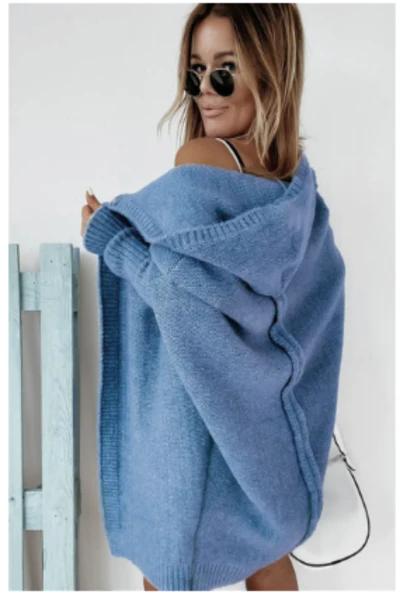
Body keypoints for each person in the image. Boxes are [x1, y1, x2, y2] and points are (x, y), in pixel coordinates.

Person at [81, 4, 340, 592]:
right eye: (195, 70)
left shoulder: (201, 161)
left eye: (225, 70)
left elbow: (182, 298)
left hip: (193, 428)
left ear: (269, 71)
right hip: (264, 443)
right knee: (269, 560)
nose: (204, 90)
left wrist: (113, 241)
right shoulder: (295, 188)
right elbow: (303, 306)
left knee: (164, 571)